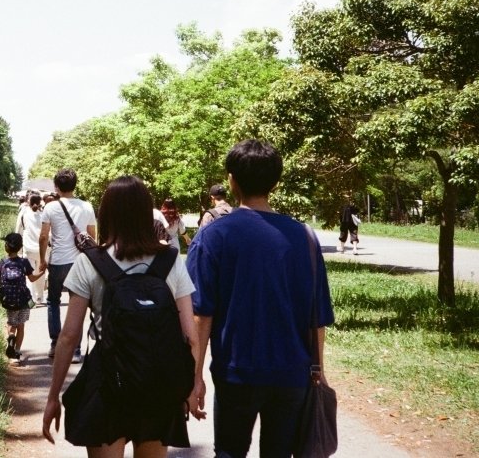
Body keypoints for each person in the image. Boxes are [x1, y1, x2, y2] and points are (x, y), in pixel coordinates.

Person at [187, 140, 334, 458]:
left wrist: (194, 377)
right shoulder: (305, 237)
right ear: (276, 182)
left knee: (229, 452)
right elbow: (316, 315)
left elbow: (200, 315)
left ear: (231, 180)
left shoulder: (213, 237)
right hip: (291, 374)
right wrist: (318, 370)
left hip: (236, 373)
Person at [42, 175, 204, 457]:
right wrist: (189, 388)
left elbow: (69, 337)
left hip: (107, 385)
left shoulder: (89, 262)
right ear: (146, 213)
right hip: (158, 384)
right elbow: (190, 336)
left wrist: (53, 396)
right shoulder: (170, 261)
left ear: (107, 214)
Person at [40, 168, 97, 362]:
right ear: (75, 185)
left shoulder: (50, 208)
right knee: (78, 305)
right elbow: (92, 236)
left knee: (53, 301)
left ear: (56, 186)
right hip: (80, 262)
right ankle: (75, 350)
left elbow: (43, 236)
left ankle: (55, 344)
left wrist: (42, 259)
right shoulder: (86, 206)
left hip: (57, 261)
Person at [0, 232, 46, 361]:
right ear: (20, 247)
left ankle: (11, 336)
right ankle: (17, 352)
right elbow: (32, 278)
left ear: (6, 247)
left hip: (9, 301)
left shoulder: (2, 262)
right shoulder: (24, 262)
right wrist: (42, 272)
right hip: (23, 300)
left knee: (11, 324)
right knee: (21, 326)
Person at [18, 193, 47, 303]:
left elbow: (18, 231)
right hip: (41, 250)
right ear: (40, 203)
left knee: (29, 275)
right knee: (41, 273)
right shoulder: (44, 215)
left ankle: (31, 299)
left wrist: (18, 249)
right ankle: (40, 297)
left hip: (28, 248)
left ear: (28, 202)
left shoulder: (24, 214)